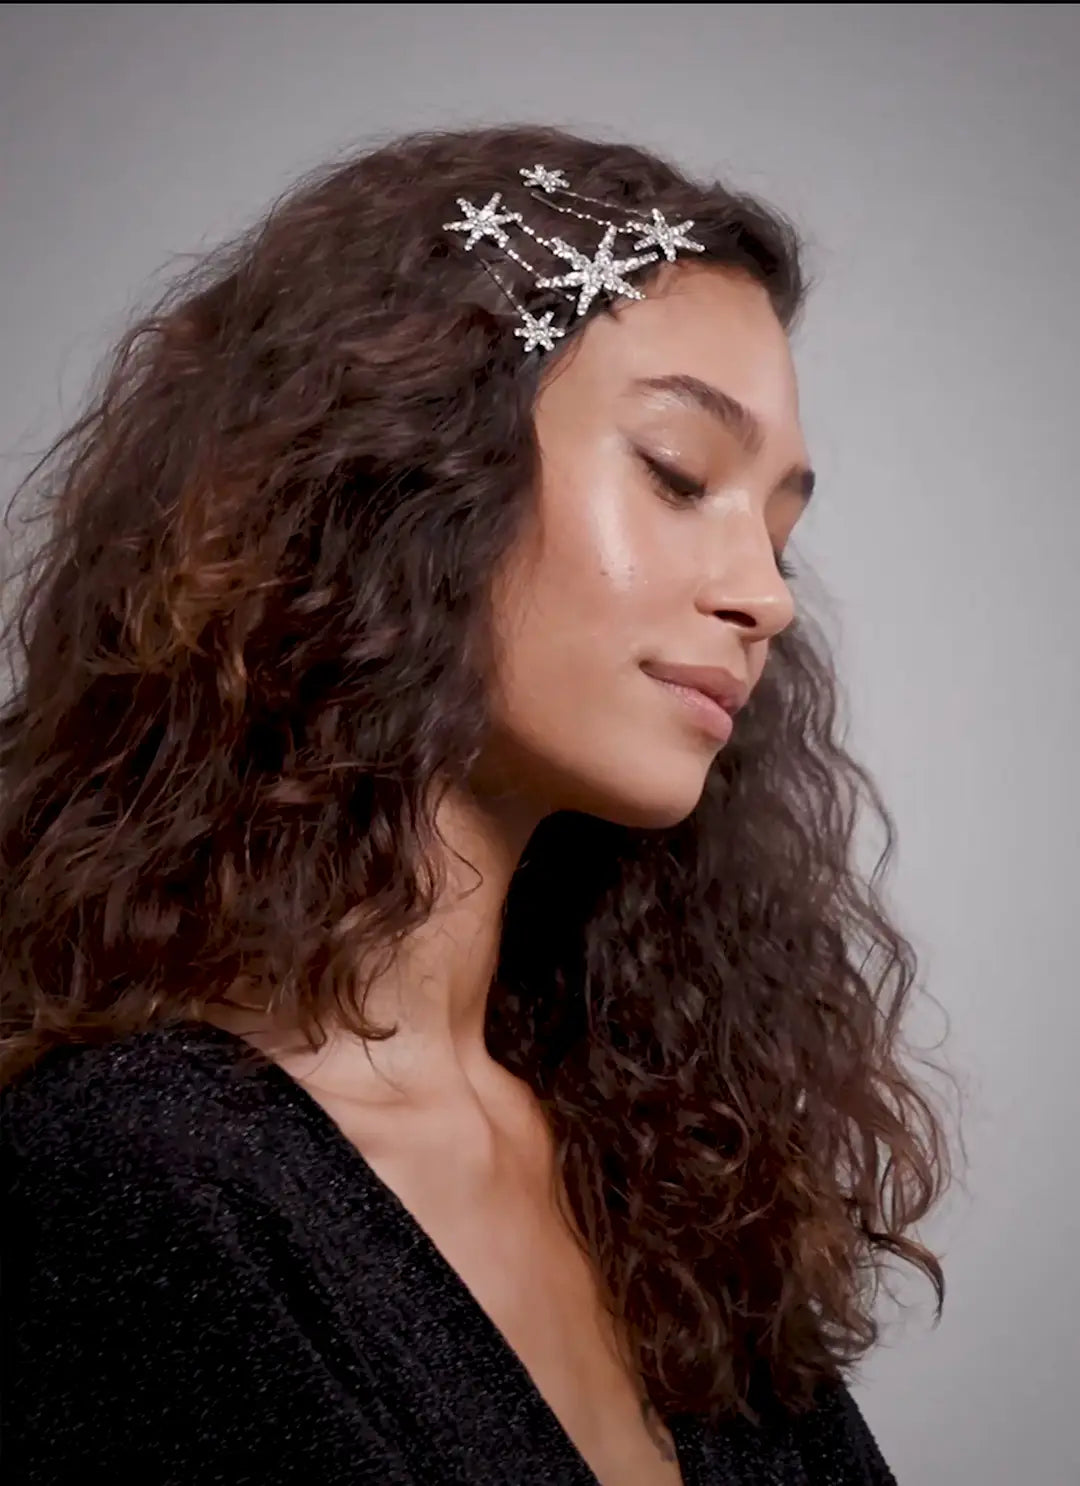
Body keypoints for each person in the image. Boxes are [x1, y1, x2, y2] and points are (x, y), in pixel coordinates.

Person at [0, 123, 952, 1485]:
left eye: (779, 532)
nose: (766, 595)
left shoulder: (664, 1178)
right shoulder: (135, 1181)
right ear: (404, 477)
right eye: (679, 474)